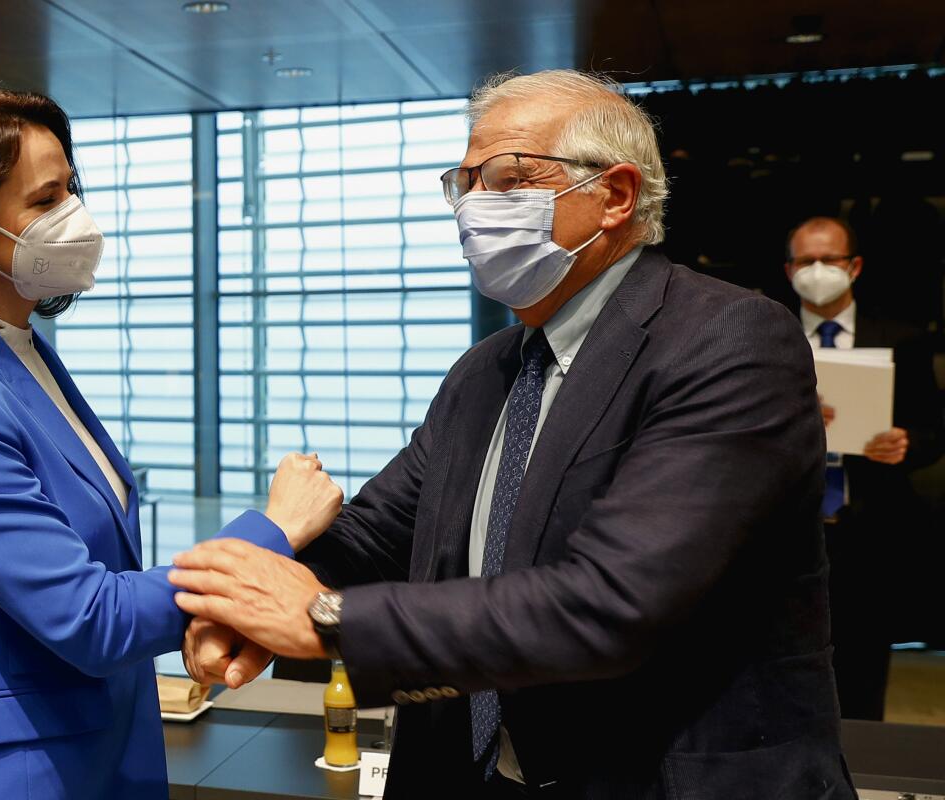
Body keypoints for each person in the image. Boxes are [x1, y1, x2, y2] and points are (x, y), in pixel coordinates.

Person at [169, 70, 856, 799]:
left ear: (615, 196)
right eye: (465, 184)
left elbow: (612, 601)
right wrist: (242, 609)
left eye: (507, 180)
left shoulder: (727, 340)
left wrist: (326, 620)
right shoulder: (486, 370)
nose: (474, 209)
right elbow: (379, 535)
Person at [0, 87, 342, 799]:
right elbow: (88, 615)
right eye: (44, 199)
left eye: (70, 190)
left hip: (86, 749)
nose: (73, 218)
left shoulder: (20, 355)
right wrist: (270, 532)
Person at [786, 216, 945, 720]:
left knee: (864, 668)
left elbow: (933, 429)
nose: (816, 271)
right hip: (787, 526)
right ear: (788, 270)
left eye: (828, 260)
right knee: (785, 665)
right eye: (804, 261)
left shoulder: (902, 338)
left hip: (872, 526)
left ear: (853, 266)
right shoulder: (769, 332)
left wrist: (907, 442)